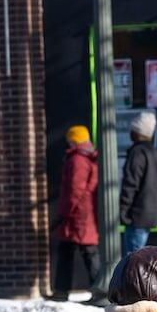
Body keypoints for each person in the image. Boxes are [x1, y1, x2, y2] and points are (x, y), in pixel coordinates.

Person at [51, 125, 101, 302]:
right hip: (84, 213)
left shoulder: (77, 159)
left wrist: (64, 212)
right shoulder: (90, 157)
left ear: (74, 139)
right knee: (84, 251)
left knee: (79, 252)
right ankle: (97, 289)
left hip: (77, 215)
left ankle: (62, 291)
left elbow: (74, 190)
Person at [119, 112, 157, 256]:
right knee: (139, 257)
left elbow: (131, 185)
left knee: (132, 259)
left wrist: (123, 212)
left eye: (132, 129)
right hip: (149, 214)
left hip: (136, 215)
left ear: (137, 132)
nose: (130, 133)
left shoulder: (137, 153)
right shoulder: (155, 153)